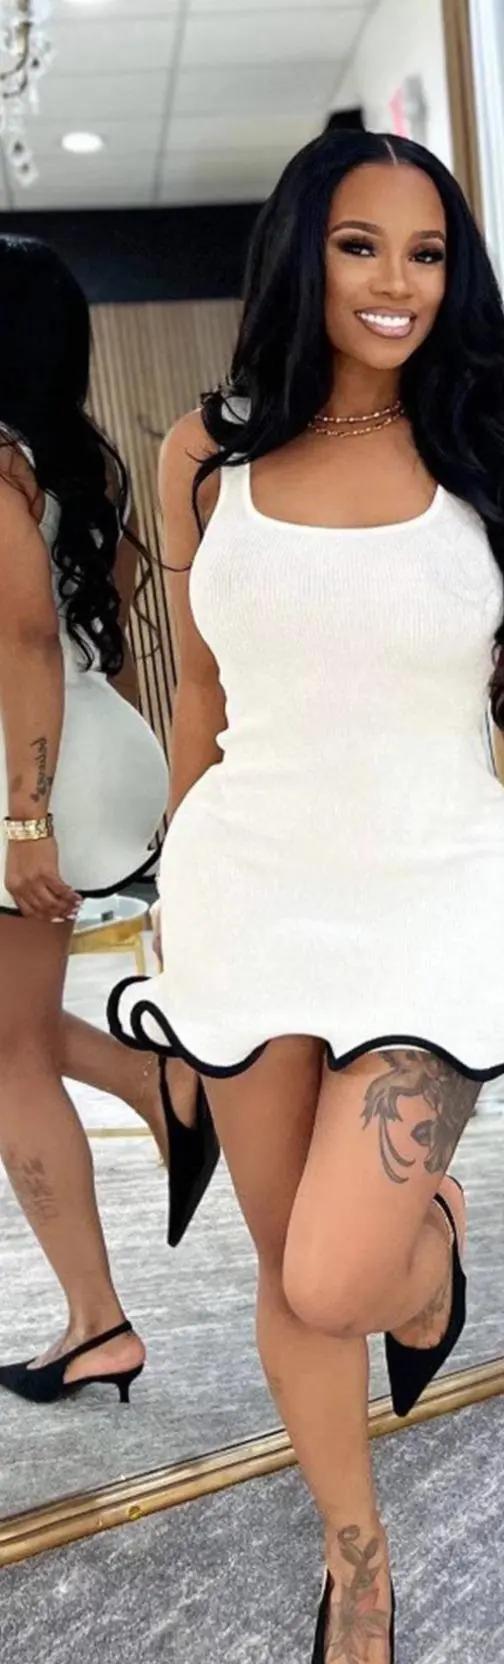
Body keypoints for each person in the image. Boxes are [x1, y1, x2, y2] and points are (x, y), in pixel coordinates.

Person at [105, 130, 504, 1664]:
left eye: (427, 252)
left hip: (436, 900)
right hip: (250, 896)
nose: (396, 283)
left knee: (337, 1272)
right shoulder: (204, 455)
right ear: (301, 256)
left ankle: (427, 1258)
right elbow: (202, 693)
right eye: (361, 247)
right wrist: (171, 898)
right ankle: (357, 1570)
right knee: (287, 1281)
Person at [0, 235, 217, 1409]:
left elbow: (27, 641)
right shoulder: (73, 460)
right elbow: (111, 613)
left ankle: (98, 1323)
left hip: (30, 765)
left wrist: (29, 814)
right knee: (11, 1030)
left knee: (9, 1054)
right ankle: (155, 1078)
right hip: (94, 741)